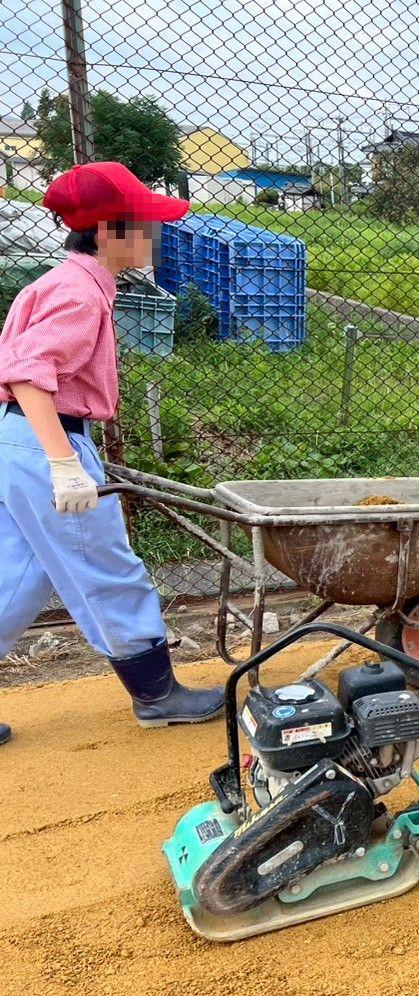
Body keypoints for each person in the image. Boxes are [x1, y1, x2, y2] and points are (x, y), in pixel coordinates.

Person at [0, 162, 226, 746]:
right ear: (105, 232)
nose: (154, 235)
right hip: (46, 437)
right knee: (107, 567)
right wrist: (63, 462)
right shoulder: (78, 292)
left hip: (19, 438)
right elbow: (27, 372)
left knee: (16, 579)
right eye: (144, 224)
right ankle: (157, 695)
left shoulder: (59, 283)